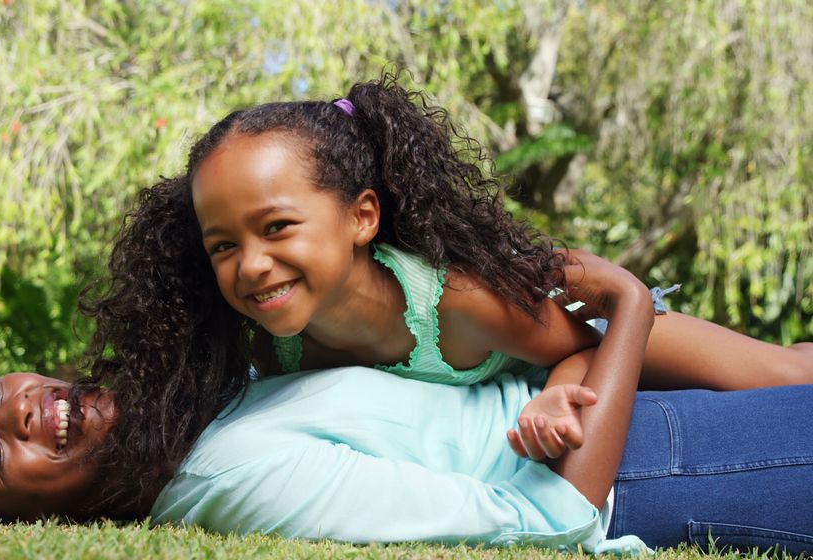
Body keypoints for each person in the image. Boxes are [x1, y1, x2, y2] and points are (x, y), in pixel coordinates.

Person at [84, 73, 812, 463]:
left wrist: (554, 399)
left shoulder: (453, 301)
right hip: (536, 366)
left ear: (363, 218)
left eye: (277, 228)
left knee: (784, 378)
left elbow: (580, 346)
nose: (251, 265)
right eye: (223, 246)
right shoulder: (273, 345)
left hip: (604, 326)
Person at [0, 366, 813, 555]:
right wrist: (632, 306)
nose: (25, 414)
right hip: (647, 472)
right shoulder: (226, 478)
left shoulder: (195, 406)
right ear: (32, 521)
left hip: (634, 417)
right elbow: (549, 517)